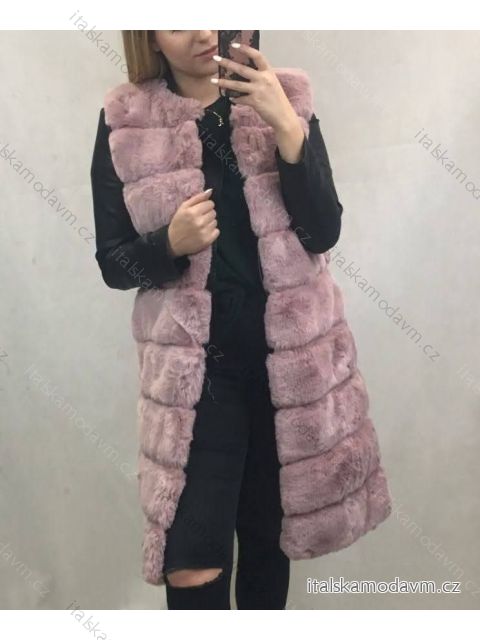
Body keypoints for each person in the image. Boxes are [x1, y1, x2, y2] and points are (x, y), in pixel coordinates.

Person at [90, 30, 343, 609]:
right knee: (192, 563)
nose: (203, 30)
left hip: (285, 372)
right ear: (148, 33)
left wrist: (287, 127)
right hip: (195, 381)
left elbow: (323, 231)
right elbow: (113, 262)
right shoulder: (126, 119)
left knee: (266, 547)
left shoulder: (285, 97)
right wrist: (167, 244)